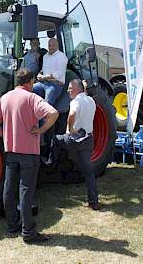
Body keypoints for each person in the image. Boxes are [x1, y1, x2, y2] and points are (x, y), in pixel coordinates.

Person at [0, 68, 59, 243]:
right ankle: (29, 232)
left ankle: (12, 226)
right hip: (29, 152)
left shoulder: (6, 97)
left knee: (9, 189)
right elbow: (53, 113)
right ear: (31, 81)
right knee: (25, 190)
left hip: (10, 151)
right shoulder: (32, 98)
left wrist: (3, 134)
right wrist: (41, 129)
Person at [44, 79, 100, 210]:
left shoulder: (75, 101)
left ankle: (50, 163)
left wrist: (70, 128)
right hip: (87, 139)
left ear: (77, 89)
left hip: (74, 139)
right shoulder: (91, 100)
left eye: (70, 88)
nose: (68, 90)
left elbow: (72, 114)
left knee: (55, 139)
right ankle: (94, 202)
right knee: (88, 172)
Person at [33, 38, 68, 106]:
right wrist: (39, 74)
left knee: (47, 103)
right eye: (49, 45)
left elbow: (59, 74)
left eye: (53, 45)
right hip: (44, 83)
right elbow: (43, 69)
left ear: (57, 46)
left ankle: (47, 115)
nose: (51, 47)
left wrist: (44, 77)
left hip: (55, 85)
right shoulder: (45, 56)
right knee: (30, 89)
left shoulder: (62, 57)